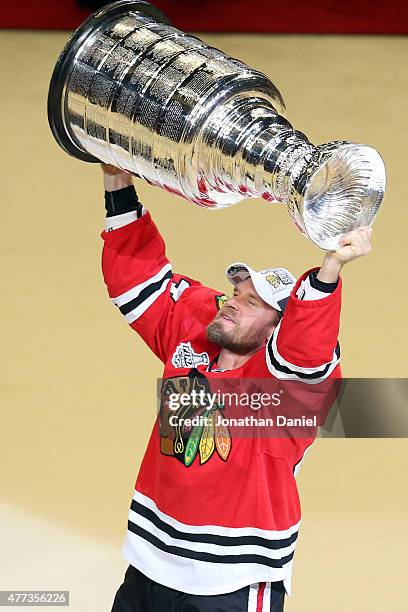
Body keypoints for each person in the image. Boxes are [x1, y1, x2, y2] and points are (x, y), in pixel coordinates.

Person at [100, 163, 372, 612]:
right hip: (149, 568)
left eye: (251, 304)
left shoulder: (286, 395)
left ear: (276, 329)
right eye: (235, 294)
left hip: (233, 583)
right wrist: (116, 179)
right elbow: (138, 280)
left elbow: (306, 351)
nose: (231, 304)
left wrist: (330, 270)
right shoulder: (194, 337)